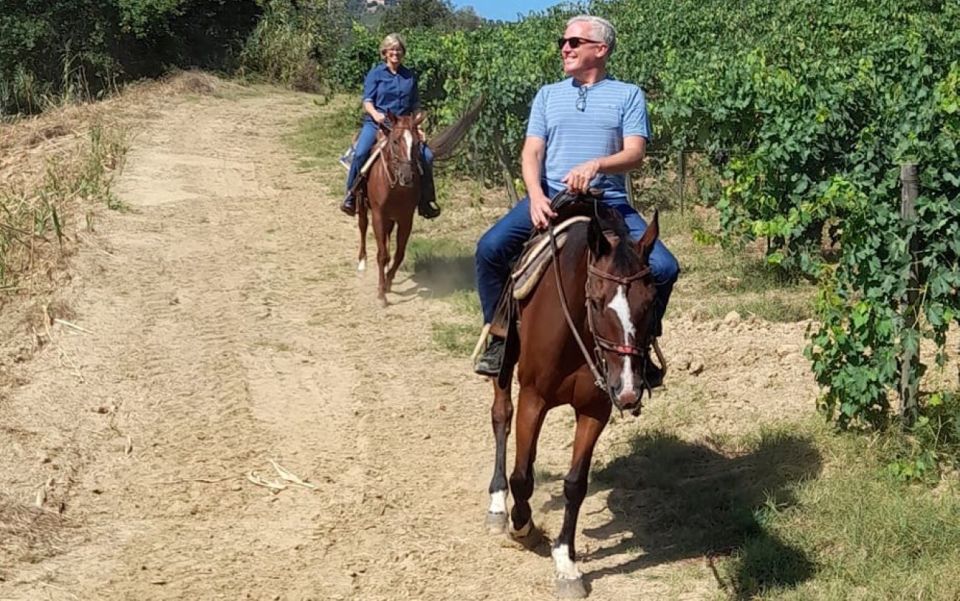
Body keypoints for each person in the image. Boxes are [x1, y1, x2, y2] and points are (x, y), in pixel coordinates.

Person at [473, 15, 680, 380]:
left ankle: (641, 347)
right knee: (490, 248)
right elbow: (532, 152)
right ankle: (499, 336)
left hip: (608, 202)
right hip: (554, 196)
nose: (564, 48)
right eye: (563, 43)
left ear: (600, 50)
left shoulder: (627, 95)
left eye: (573, 42)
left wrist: (597, 164)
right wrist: (536, 196)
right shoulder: (548, 95)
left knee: (664, 268)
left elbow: (635, 153)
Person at [340, 33, 440, 219]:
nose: (395, 53)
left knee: (427, 156)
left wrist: (417, 123)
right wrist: (376, 114)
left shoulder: (409, 76)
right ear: (385, 52)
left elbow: (416, 105)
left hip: (403, 126)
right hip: (378, 123)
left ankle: (426, 200)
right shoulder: (376, 74)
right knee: (361, 153)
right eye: (392, 50)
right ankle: (351, 195)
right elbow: (367, 101)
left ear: (403, 53)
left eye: (399, 50)